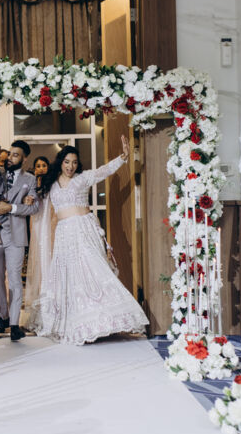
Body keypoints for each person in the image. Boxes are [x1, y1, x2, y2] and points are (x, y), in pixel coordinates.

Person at [26, 137, 149, 345]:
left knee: (95, 270)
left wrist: (123, 157)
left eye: (74, 162)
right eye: (67, 162)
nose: (70, 166)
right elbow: (37, 202)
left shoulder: (82, 178)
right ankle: (80, 323)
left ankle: (104, 321)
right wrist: (27, 199)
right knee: (70, 276)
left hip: (84, 230)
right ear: (60, 162)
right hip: (64, 234)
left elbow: (103, 171)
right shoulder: (51, 183)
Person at [0, 140, 39, 341]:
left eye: (15, 155)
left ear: (24, 158)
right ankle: (3, 316)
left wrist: (12, 208)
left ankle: (14, 323)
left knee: (14, 279)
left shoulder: (30, 179)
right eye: (9, 154)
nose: (10, 158)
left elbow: (34, 207)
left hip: (16, 235)